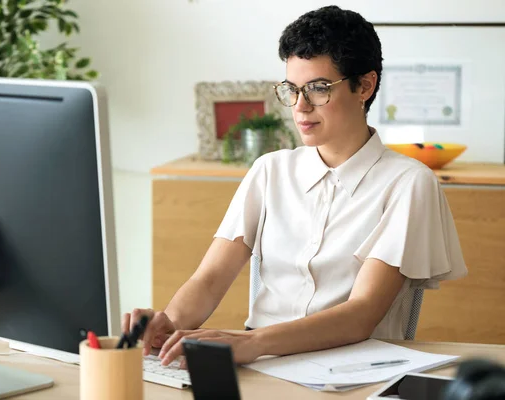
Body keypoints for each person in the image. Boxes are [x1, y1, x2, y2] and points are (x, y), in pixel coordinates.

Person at [123, 5, 467, 367]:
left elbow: (361, 314)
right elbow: (209, 280)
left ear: (365, 85)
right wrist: (168, 323)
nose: (300, 107)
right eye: (291, 89)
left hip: (352, 373)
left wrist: (251, 342)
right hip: (259, 366)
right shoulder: (270, 171)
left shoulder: (408, 183)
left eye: (318, 89)